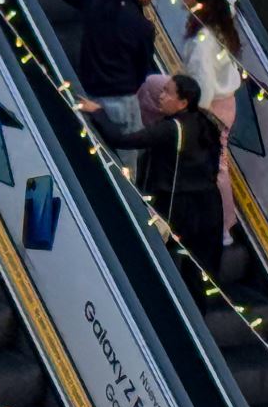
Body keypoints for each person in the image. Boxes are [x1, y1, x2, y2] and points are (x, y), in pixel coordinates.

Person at [0, 0, 158, 169]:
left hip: (88, 94)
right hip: (122, 102)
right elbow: (143, 69)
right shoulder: (143, 27)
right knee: (126, 164)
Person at [80, 74, 226, 274]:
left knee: (166, 262)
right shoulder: (204, 122)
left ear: (183, 102)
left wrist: (98, 112)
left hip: (179, 207)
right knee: (200, 272)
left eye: (167, 93)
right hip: (209, 208)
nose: (161, 96)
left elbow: (122, 140)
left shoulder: (171, 129)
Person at [162, 0, 244, 245]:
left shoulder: (202, 43)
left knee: (217, 167)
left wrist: (193, 117)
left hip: (213, 110)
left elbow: (204, 88)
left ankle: (226, 226)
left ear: (203, 1)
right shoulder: (218, 18)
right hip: (224, 103)